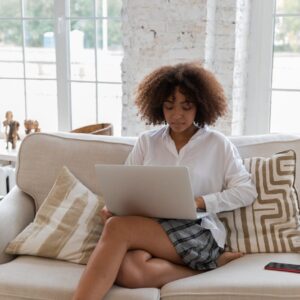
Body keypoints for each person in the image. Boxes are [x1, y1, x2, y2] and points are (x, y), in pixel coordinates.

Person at [72, 62, 257, 300]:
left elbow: (246, 191)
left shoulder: (217, 144)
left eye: (186, 107)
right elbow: (125, 185)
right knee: (130, 271)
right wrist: (114, 206)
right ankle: (210, 266)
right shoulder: (147, 142)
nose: (177, 115)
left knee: (116, 228)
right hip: (150, 230)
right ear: (159, 107)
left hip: (197, 233)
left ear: (200, 106)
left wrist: (201, 201)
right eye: (169, 107)